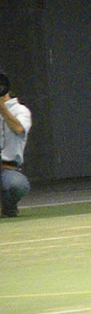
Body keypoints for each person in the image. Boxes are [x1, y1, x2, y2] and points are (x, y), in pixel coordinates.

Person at [1, 88, 31, 218]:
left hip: (7, 169)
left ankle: (9, 207)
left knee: (16, 185)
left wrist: (2, 108)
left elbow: (18, 129)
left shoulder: (20, 110)